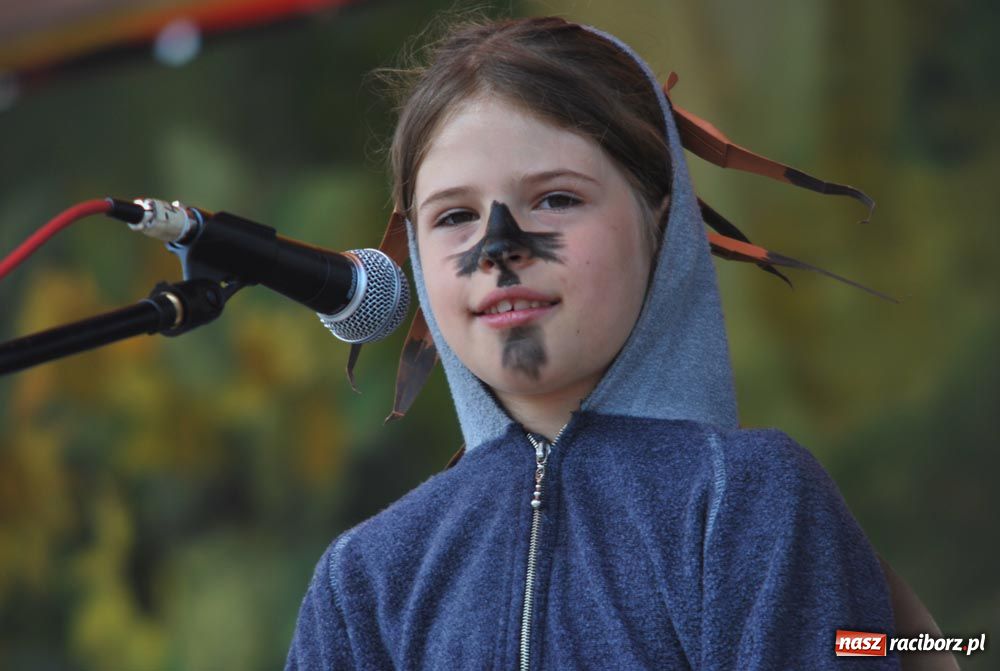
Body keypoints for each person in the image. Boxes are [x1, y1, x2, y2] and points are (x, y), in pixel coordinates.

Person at [286, 16, 900, 669]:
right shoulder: (363, 584)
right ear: (413, 248)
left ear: (661, 223)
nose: (499, 249)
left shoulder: (746, 501)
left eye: (555, 198)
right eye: (455, 216)